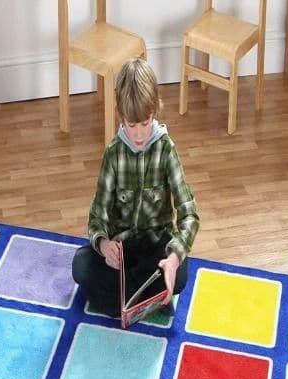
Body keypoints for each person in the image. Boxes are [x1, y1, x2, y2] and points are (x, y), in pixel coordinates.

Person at [72, 57, 200, 317]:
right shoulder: (114, 154)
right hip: (123, 251)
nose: (140, 134)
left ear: (155, 111)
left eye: (145, 123)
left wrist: (174, 258)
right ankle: (146, 297)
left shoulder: (166, 150)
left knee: (181, 273)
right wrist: (104, 244)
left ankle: (129, 298)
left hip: (155, 249)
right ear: (121, 116)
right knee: (81, 266)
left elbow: (189, 214)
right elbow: (98, 216)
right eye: (132, 125)